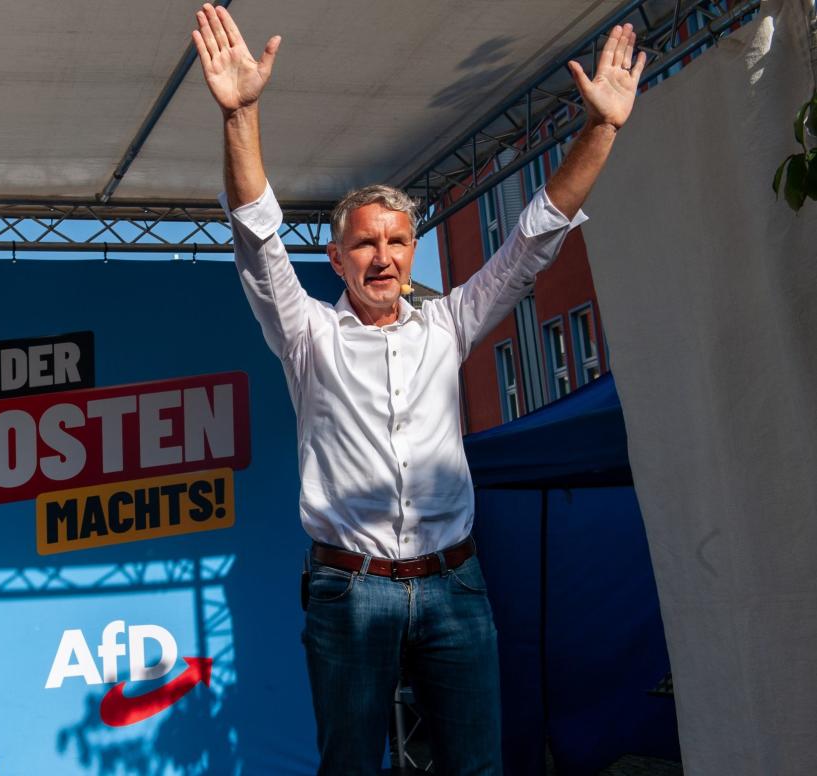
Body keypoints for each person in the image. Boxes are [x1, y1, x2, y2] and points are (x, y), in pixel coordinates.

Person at [191, 4, 644, 774]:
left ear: (410, 251)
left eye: (397, 241)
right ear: (335, 260)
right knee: (350, 767)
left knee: (474, 766)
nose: (382, 257)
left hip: (454, 585)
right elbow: (256, 234)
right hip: (349, 592)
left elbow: (535, 238)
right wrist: (240, 115)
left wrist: (600, 129)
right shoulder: (307, 335)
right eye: (363, 242)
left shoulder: (449, 324)